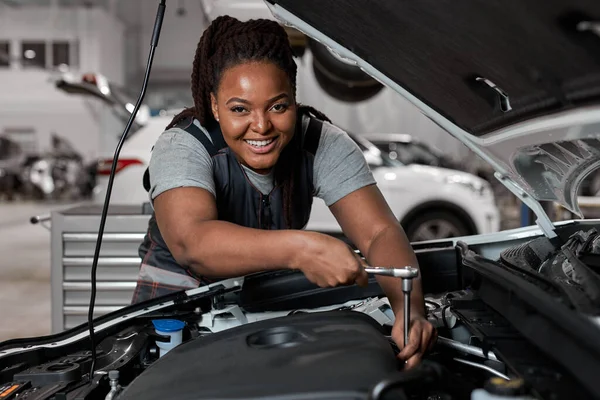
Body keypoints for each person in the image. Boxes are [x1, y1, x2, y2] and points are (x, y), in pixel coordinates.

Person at [132, 15, 436, 368]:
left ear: (293, 98)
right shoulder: (183, 145)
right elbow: (192, 243)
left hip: (256, 318)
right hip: (169, 327)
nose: (261, 126)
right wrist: (303, 249)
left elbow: (379, 232)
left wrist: (408, 309)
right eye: (239, 109)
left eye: (277, 106)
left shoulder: (321, 143)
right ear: (215, 105)